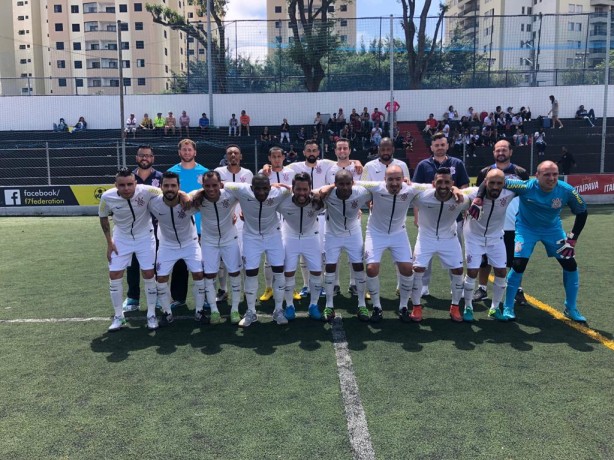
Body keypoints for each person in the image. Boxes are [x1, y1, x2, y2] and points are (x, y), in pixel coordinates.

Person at [470, 161, 589, 323]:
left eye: (555, 174)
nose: (552, 178)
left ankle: (571, 307)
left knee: (570, 264)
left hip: (552, 230)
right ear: (537, 175)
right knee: (518, 264)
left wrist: (572, 239)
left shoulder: (567, 191)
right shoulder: (525, 186)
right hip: (526, 229)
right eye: (547, 174)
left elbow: (582, 212)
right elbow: (490, 181)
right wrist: (478, 198)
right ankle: (508, 307)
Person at [358, 166, 433, 322]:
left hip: (398, 233)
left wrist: (456, 190)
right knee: (371, 268)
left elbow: (434, 186)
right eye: (390, 179)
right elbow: (352, 182)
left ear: (403, 179)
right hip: (376, 233)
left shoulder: (411, 189)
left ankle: (403, 306)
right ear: (384, 179)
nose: (394, 183)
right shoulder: (376, 187)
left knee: (407, 269)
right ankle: (377, 307)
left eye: (398, 179)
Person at [98, 168, 165, 332]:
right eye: (122, 185)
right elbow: (103, 217)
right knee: (114, 274)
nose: (126, 188)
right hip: (121, 238)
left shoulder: (147, 190)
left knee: (149, 273)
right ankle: (118, 316)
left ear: (136, 183)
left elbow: (169, 192)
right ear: (116, 185)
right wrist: (109, 243)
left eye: (130, 184)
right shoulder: (107, 197)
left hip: (145, 236)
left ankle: (151, 314)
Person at [223, 175, 291, 327]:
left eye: (265, 188)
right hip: (251, 237)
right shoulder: (242, 189)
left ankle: (278, 310)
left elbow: (291, 191)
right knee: (251, 273)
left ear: (270, 187)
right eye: (257, 188)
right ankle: (251, 312)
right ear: (251, 188)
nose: (261, 192)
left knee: (279, 272)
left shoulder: (278, 192)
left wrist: (276, 185)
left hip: (273, 236)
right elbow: (224, 184)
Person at [472, 140, 530, 307]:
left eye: (504, 149)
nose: (501, 152)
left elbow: (527, 195)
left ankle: (517, 289)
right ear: (493, 153)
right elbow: (478, 194)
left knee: (515, 260)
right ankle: (482, 288)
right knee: (485, 260)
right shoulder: (485, 172)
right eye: (497, 150)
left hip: (514, 223)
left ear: (510, 152)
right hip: (490, 223)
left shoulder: (521, 172)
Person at [412, 132, 470, 297]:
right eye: (436, 145)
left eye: (442, 144)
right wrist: (416, 216)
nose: (439, 147)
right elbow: (417, 192)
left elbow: (464, 187)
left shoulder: (457, 163)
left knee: (455, 253)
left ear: (447, 146)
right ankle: (424, 285)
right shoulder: (423, 165)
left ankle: (455, 285)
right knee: (425, 255)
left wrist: (463, 209)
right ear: (431, 147)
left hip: (453, 218)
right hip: (428, 218)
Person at [409, 168, 470, 322]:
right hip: (426, 237)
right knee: (417, 269)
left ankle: (455, 307)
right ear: (433, 183)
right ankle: (416, 307)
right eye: (440, 182)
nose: (443, 185)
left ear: (452, 183)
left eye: (447, 182)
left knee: (457, 270)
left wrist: (458, 190)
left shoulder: (462, 199)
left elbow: (480, 189)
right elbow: (407, 188)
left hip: (449, 237)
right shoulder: (422, 197)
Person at [149, 172, 203, 328]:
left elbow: (205, 191)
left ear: (179, 187)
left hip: (190, 244)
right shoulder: (154, 203)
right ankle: (167, 313)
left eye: (173, 185)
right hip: (167, 245)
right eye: (166, 185)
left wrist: (184, 194)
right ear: (161, 187)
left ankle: (199, 312)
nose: (169, 188)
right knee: (161, 278)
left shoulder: (190, 203)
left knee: (199, 274)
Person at [315, 170, 371, 322]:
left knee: (358, 266)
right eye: (341, 184)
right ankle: (329, 305)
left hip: (353, 234)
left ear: (353, 183)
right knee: (330, 267)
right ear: (336, 184)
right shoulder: (329, 194)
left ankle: (361, 304)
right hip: (332, 234)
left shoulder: (360, 192)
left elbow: (377, 189)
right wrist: (323, 190)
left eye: (348, 183)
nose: (345, 187)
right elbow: (311, 193)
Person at [462, 169, 516, 321]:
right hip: (473, 237)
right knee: (472, 272)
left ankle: (494, 308)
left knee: (501, 272)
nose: (495, 187)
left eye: (499, 183)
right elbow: (456, 191)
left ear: (504, 184)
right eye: (491, 182)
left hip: (495, 238)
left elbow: (528, 186)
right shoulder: (472, 193)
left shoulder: (509, 193)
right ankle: (468, 307)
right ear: (485, 182)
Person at [190, 171, 243, 324]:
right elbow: (184, 198)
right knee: (209, 275)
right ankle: (214, 310)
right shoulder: (198, 197)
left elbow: (247, 190)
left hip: (229, 239)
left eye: (214, 185)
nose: (211, 189)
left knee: (234, 273)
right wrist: (197, 194)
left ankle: (234, 310)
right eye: (207, 186)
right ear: (202, 186)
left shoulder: (229, 194)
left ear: (221, 184)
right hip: (209, 241)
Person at [121, 145, 164, 313]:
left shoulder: (160, 177)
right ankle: (133, 298)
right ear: (136, 158)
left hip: (157, 228)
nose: (144, 158)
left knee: (155, 265)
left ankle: (159, 296)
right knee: (132, 265)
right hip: (133, 229)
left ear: (153, 158)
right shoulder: (129, 178)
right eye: (141, 155)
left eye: (148, 155)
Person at [167, 139, 209, 310]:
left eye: (189, 149)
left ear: (195, 152)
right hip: (179, 226)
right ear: (179, 152)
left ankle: (207, 297)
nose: (186, 152)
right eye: (183, 150)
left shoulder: (205, 172)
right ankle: (178, 298)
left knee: (204, 263)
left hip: (202, 225)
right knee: (180, 264)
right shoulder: (171, 172)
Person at [276, 172, 323, 320]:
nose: (302, 193)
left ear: (310, 188)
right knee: (288, 272)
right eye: (298, 189)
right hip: (290, 237)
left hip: (311, 236)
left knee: (316, 272)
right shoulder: (283, 201)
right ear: (293, 188)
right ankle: (289, 305)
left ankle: (313, 305)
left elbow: (332, 189)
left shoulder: (318, 201)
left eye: (305, 189)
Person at [257, 147, 298, 303]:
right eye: (273, 157)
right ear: (269, 158)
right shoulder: (263, 173)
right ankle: (269, 288)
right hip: (270, 217)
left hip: (289, 217)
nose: (276, 159)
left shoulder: (292, 172)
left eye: (279, 156)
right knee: (269, 256)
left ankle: (291, 287)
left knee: (288, 254)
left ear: (283, 157)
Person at [215, 145, 254, 302]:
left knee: (245, 257)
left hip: (243, 223)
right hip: (224, 221)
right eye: (230, 153)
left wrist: (247, 212)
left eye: (236, 153)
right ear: (226, 156)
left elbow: (251, 196)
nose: (233, 155)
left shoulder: (248, 174)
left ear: (241, 156)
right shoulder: (218, 173)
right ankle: (223, 289)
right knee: (223, 258)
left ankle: (246, 291)